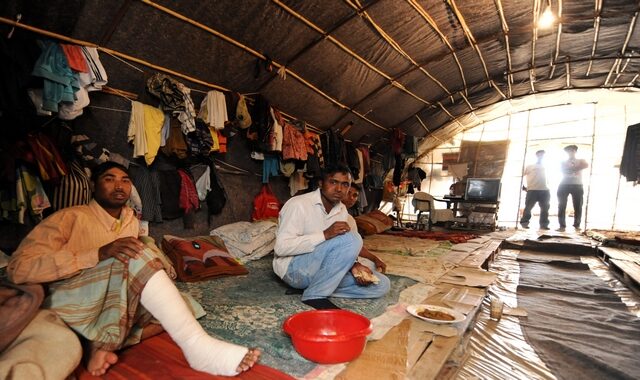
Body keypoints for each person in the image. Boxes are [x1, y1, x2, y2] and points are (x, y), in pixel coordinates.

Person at [7, 162, 260, 377]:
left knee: (183, 305)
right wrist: (97, 253)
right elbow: (18, 268)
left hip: (111, 296)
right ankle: (197, 346)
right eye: (109, 179)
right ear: (94, 185)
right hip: (74, 296)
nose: (119, 186)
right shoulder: (68, 218)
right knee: (142, 265)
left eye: (125, 180)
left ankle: (99, 342)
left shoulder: (129, 218)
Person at [273, 164, 390, 310]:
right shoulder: (298, 205)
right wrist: (324, 235)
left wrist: (354, 264)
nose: (339, 189)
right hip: (293, 270)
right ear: (321, 183)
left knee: (382, 285)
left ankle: (315, 287)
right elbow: (281, 248)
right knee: (352, 238)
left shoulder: (341, 210)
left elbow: (337, 250)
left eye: (345, 184)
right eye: (333, 182)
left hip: (319, 271)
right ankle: (315, 295)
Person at [342, 184, 388, 277]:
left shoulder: (350, 219)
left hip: (348, 258)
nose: (351, 198)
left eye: (355, 195)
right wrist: (354, 264)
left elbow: (357, 247)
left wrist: (375, 259)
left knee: (372, 266)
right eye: (348, 193)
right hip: (332, 258)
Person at [557, 145, 589, 231]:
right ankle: (562, 226)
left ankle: (577, 225)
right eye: (568, 151)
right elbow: (562, 169)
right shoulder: (563, 162)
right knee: (561, 205)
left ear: (575, 151)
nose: (570, 152)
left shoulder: (581, 160)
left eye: (572, 150)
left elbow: (586, 165)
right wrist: (576, 168)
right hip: (564, 185)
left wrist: (571, 168)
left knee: (578, 206)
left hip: (577, 185)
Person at [520, 150, 550, 230]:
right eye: (540, 155)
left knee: (545, 209)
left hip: (545, 190)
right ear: (536, 155)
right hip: (532, 190)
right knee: (528, 207)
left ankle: (544, 225)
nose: (541, 156)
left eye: (543, 155)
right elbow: (520, 175)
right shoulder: (530, 166)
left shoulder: (547, 166)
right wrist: (523, 187)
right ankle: (524, 223)